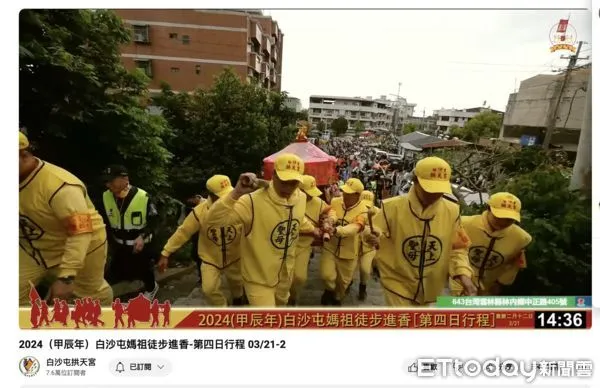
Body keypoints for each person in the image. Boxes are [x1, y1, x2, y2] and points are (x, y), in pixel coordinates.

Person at [206, 153, 324, 307]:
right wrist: (235, 193)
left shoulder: (300, 197)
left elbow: (298, 219)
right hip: (258, 277)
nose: (288, 188)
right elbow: (214, 221)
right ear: (274, 175)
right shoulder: (251, 202)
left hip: (285, 274)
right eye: (284, 181)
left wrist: (313, 230)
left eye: (294, 182)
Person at [363, 156, 477, 307]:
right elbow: (373, 229)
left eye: (439, 190)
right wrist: (371, 235)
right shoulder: (391, 207)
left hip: (430, 287)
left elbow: (458, 248)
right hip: (397, 282)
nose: (434, 195)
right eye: (429, 189)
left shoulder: (452, 210)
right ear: (415, 181)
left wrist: (463, 274)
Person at [19, 131, 113, 306]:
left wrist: (66, 277)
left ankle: (106, 322)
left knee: (88, 296)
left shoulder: (61, 186)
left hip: (83, 244)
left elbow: (81, 232)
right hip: (34, 247)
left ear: (24, 155)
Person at [157, 175, 245, 306]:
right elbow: (184, 231)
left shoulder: (240, 204)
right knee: (209, 289)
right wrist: (166, 252)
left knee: (237, 283)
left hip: (235, 256)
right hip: (210, 258)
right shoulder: (199, 212)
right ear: (212, 195)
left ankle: (238, 299)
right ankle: (223, 309)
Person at [450, 192, 532, 296]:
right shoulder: (464, 224)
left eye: (508, 219)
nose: (502, 222)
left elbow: (513, 265)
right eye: (499, 217)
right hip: (454, 283)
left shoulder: (521, 238)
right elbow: (451, 253)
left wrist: (500, 283)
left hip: (487, 290)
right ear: (488, 209)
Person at [100, 165, 160, 300]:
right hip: (119, 244)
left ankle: (151, 289)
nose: (108, 184)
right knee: (114, 271)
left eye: (111, 181)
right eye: (106, 181)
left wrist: (142, 236)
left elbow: (154, 221)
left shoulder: (143, 196)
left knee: (144, 270)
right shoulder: (106, 196)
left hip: (140, 244)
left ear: (125, 179)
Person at [320, 178, 369, 306]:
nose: (345, 195)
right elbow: (332, 212)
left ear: (358, 195)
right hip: (330, 246)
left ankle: (337, 297)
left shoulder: (364, 209)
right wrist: (330, 220)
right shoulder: (336, 201)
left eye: (349, 194)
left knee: (343, 283)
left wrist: (336, 230)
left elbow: (355, 227)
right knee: (327, 276)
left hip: (349, 251)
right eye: (345, 192)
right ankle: (329, 290)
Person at [289, 175, 336, 306]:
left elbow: (331, 210)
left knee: (299, 277)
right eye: (307, 193)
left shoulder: (318, 202)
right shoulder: (288, 200)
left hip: (304, 245)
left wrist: (330, 220)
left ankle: (293, 298)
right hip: (284, 245)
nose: (310, 196)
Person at [357, 190, 379, 302]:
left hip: (368, 248)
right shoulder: (354, 209)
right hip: (353, 246)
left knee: (365, 270)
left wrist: (377, 235)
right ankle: (345, 285)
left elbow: (384, 231)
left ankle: (362, 287)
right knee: (347, 272)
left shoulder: (378, 213)